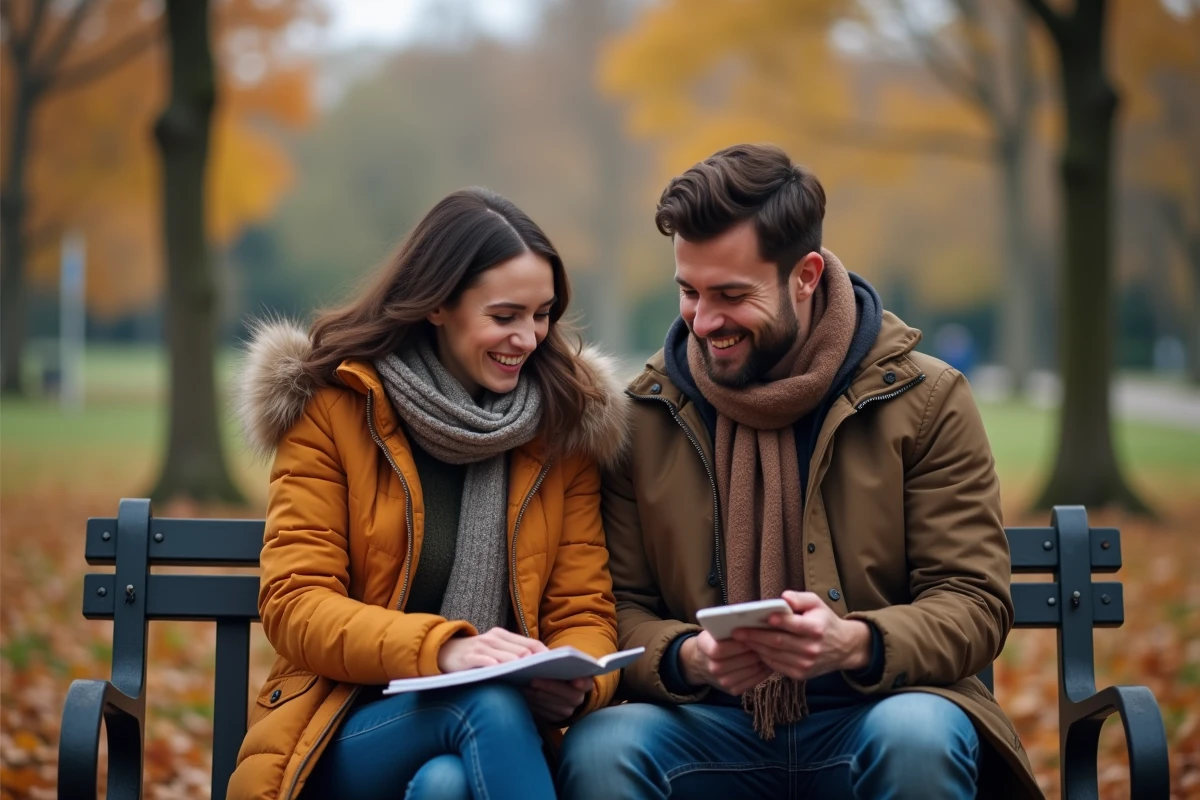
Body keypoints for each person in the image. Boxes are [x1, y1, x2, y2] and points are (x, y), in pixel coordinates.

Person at [557, 144, 1041, 799]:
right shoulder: (642, 415)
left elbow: (974, 601)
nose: (703, 321)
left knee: (919, 735)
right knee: (603, 747)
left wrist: (855, 642)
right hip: (706, 724)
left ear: (806, 275)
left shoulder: (925, 399)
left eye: (731, 295)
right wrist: (685, 656)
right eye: (689, 293)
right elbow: (620, 609)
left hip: (875, 712)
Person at [225, 187, 629, 800]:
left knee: (444, 786)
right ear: (438, 305)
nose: (529, 338)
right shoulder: (334, 410)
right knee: (484, 704)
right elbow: (296, 603)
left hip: (499, 738)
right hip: (339, 729)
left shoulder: (561, 430)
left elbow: (583, 612)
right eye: (504, 316)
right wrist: (443, 651)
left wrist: (577, 681)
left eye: (542, 314)